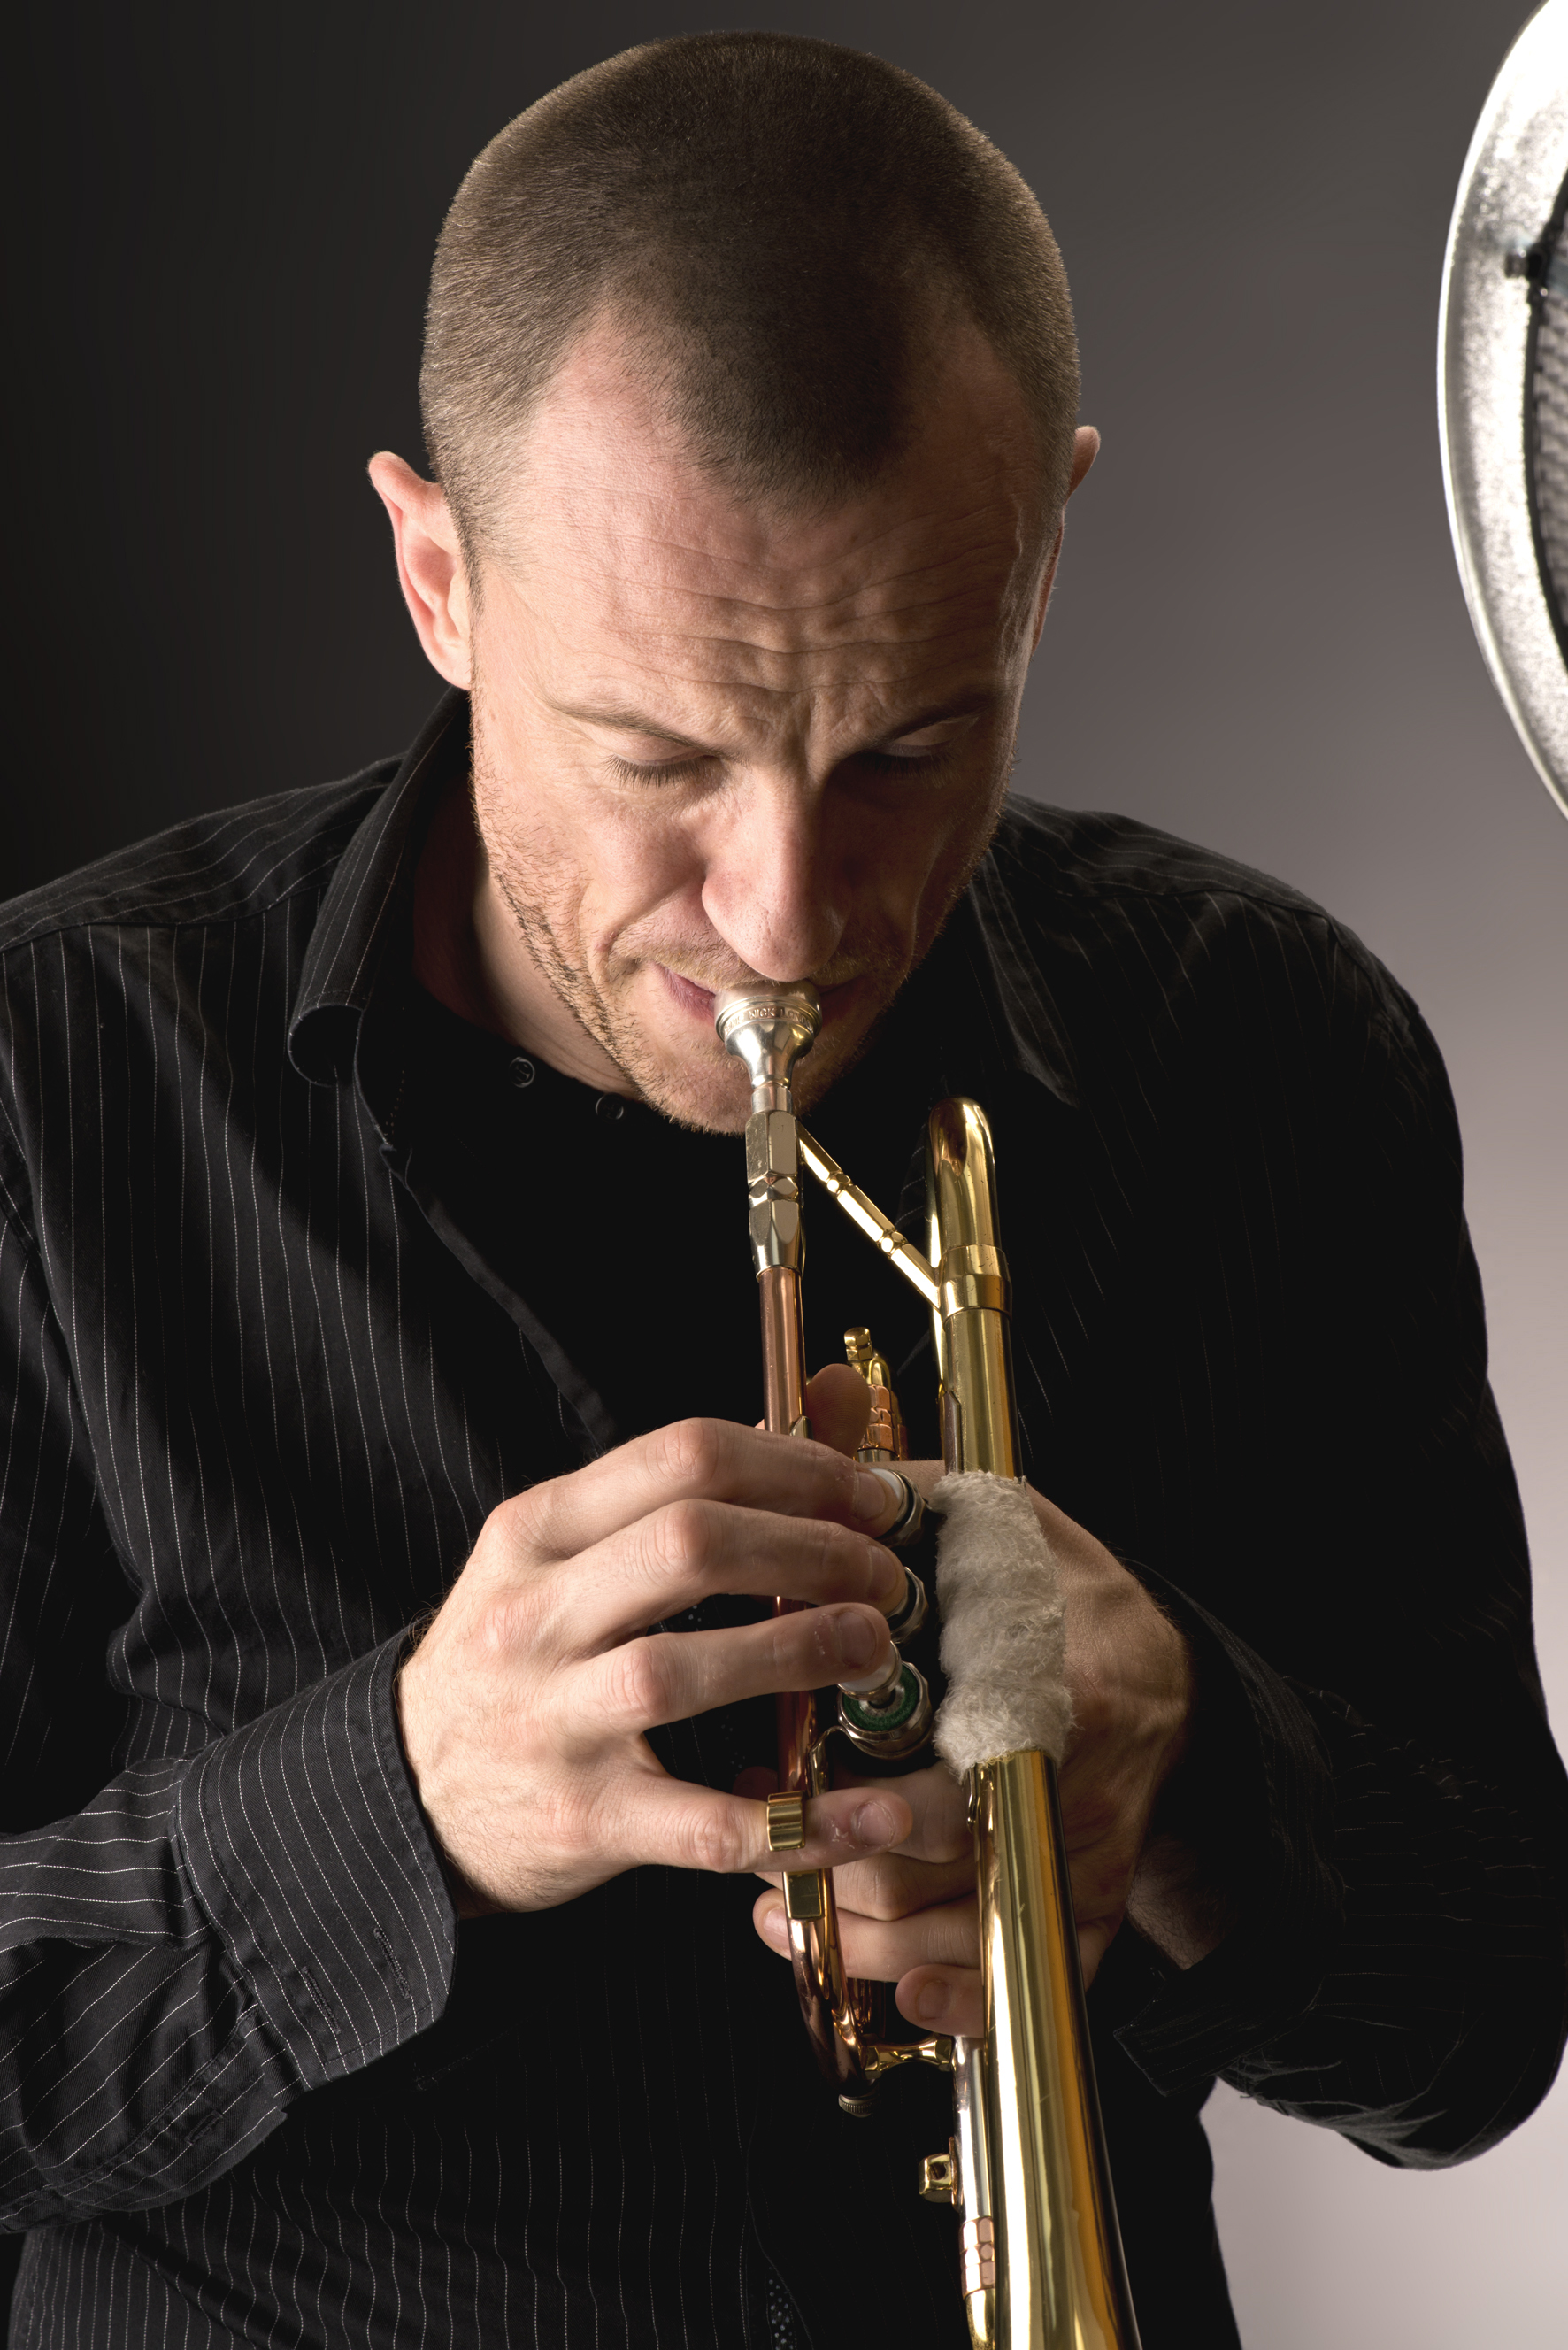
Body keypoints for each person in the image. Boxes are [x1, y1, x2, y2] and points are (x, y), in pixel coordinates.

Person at [0, 30, 1563, 2350]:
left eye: (910, 746)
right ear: (438, 575)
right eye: (658, 757)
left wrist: (1193, 1780)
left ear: (1042, 551)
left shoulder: (1262, 1043)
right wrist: (396, 1802)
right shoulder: (52, 1080)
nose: (788, 914)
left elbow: (1483, 2034)